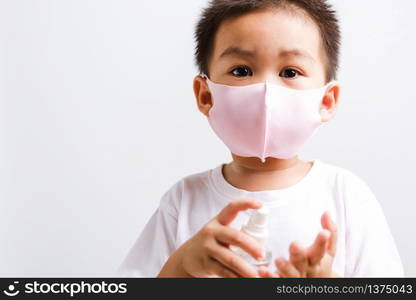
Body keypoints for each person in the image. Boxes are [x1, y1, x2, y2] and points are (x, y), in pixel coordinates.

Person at [117, 0, 404, 277]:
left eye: (290, 72)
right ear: (206, 96)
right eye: (242, 71)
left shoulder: (345, 197)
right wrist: (182, 267)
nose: (265, 91)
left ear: (326, 100)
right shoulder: (184, 201)